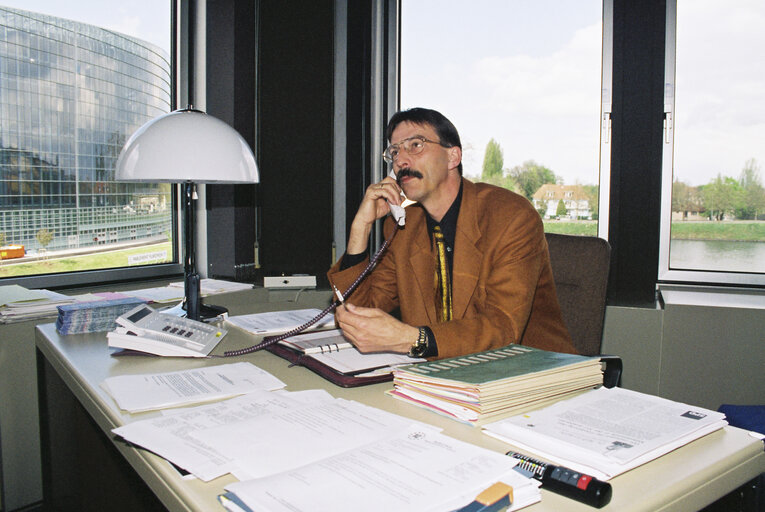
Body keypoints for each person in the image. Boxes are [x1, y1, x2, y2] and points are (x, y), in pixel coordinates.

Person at [328, 107, 575, 359]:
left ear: (452, 157)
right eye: (394, 151)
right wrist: (361, 227)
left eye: (415, 145)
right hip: (442, 372)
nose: (401, 160)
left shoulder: (510, 216)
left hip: (527, 371)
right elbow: (359, 314)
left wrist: (411, 339)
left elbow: (504, 327)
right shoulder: (402, 226)